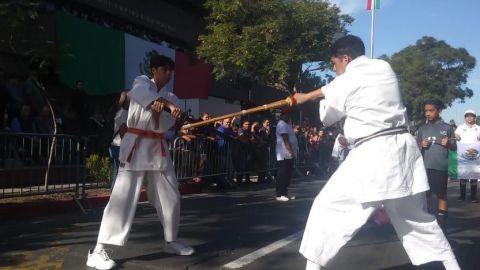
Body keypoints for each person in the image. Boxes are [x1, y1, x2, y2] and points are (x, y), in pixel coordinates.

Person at [293, 35, 459, 270]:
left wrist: (304, 97)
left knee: (326, 208)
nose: (334, 68)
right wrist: (315, 94)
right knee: (418, 220)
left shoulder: (348, 78)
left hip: (373, 152)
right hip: (401, 152)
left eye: (334, 63)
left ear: (345, 58)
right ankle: (452, 266)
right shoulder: (384, 67)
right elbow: (333, 90)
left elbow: (327, 116)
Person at [86, 55, 194, 270]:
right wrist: (168, 106)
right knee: (123, 199)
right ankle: (98, 250)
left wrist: (161, 114)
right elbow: (148, 98)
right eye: (165, 69)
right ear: (154, 70)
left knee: (171, 196)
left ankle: (171, 241)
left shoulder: (170, 95)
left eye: (171, 71)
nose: (169, 74)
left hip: (158, 150)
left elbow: (160, 127)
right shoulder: (141, 82)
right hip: (136, 148)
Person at [417, 99, 457, 230]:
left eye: (431, 110)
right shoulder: (422, 128)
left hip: (440, 167)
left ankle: (442, 225)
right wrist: (421, 145)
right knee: (426, 196)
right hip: (424, 167)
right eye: (426, 111)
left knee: (441, 195)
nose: (427, 113)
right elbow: (416, 148)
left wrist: (449, 144)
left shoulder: (447, 128)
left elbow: (454, 148)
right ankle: (428, 223)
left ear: (439, 111)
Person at [455, 109, 480, 203]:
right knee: (463, 175)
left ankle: (473, 196)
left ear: (474, 117)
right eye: (467, 116)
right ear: (465, 118)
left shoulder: (478, 128)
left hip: (475, 156)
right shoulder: (460, 127)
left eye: (471, 116)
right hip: (463, 155)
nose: (469, 118)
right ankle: (462, 196)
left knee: (474, 175)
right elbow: (455, 135)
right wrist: (456, 136)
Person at [274, 110, 298, 202]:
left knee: (287, 174)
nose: (289, 117)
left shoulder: (287, 124)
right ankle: (280, 194)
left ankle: (284, 193)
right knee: (282, 174)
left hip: (288, 154)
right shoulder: (282, 124)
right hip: (284, 153)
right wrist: (290, 151)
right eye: (288, 115)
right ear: (283, 115)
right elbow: (285, 139)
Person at [109, 91, 129, 189]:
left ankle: (114, 191)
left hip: (116, 144)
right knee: (120, 171)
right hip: (121, 145)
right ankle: (115, 192)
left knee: (117, 170)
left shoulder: (119, 112)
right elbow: (123, 132)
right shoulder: (124, 113)